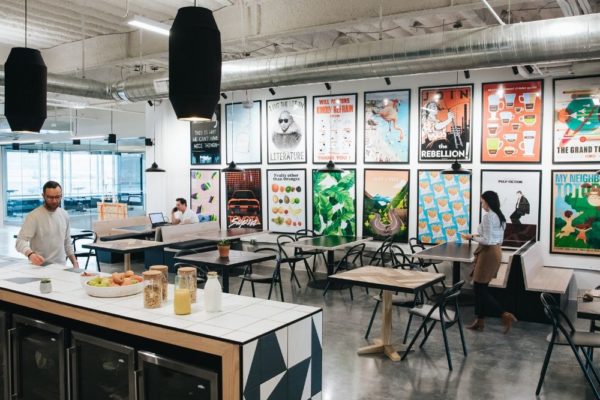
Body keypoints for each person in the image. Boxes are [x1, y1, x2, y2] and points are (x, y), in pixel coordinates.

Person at [461, 191, 516, 334]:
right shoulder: (500, 217)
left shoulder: (488, 217)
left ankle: (504, 314)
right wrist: (475, 236)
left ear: (488, 202)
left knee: (480, 288)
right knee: (480, 287)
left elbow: (487, 240)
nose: (481, 205)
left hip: (488, 253)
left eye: (482, 202)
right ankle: (480, 321)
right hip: (496, 251)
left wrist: (470, 237)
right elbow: (495, 239)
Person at [15, 181, 78, 267]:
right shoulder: (34, 216)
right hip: (39, 267)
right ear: (43, 196)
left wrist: (74, 262)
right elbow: (20, 241)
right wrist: (31, 255)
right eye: (50, 197)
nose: (54, 201)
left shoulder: (64, 214)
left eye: (57, 197)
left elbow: (67, 242)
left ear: (61, 196)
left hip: (61, 267)